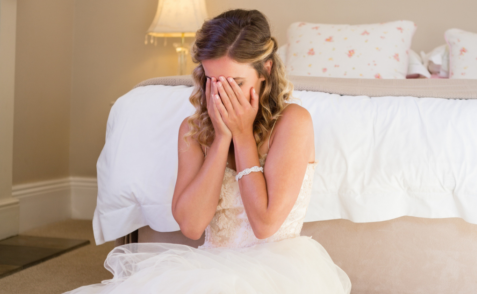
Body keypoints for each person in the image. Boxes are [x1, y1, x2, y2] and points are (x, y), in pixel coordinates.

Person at [64, 9, 351, 294]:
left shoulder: (293, 122)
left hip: (277, 272)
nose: (221, 95)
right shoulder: (193, 131)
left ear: (266, 71)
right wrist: (221, 138)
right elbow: (191, 226)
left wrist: (242, 136)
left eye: (235, 83)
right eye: (213, 81)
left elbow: (265, 226)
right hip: (210, 266)